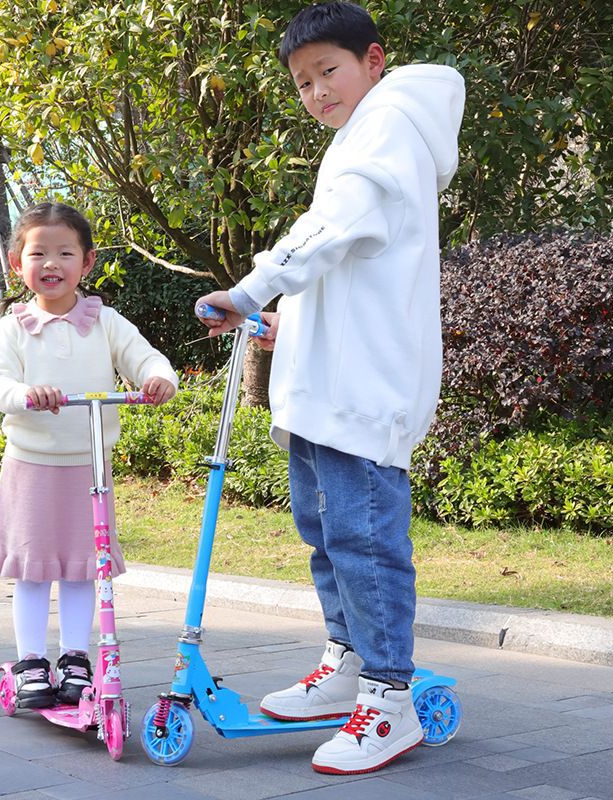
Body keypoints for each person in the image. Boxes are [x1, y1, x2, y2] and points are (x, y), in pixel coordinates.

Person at [196, 1, 464, 776]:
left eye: (328, 71)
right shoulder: (362, 135)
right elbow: (348, 267)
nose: (316, 92)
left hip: (362, 392)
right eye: (303, 82)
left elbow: (329, 231)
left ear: (373, 61)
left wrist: (249, 290)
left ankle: (388, 700)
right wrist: (291, 323)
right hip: (330, 387)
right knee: (327, 536)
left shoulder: (387, 129)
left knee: (364, 543)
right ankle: (347, 665)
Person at [0, 201, 178, 708]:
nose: (52, 264)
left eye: (65, 253)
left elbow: (145, 357)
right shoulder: (15, 327)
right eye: (38, 254)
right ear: (17, 263)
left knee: (83, 567)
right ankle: (30, 661)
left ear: (87, 262)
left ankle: (74, 657)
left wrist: (158, 378)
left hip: (89, 467)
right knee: (32, 567)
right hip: (31, 465)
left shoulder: (104, 322)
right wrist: (27, 395)